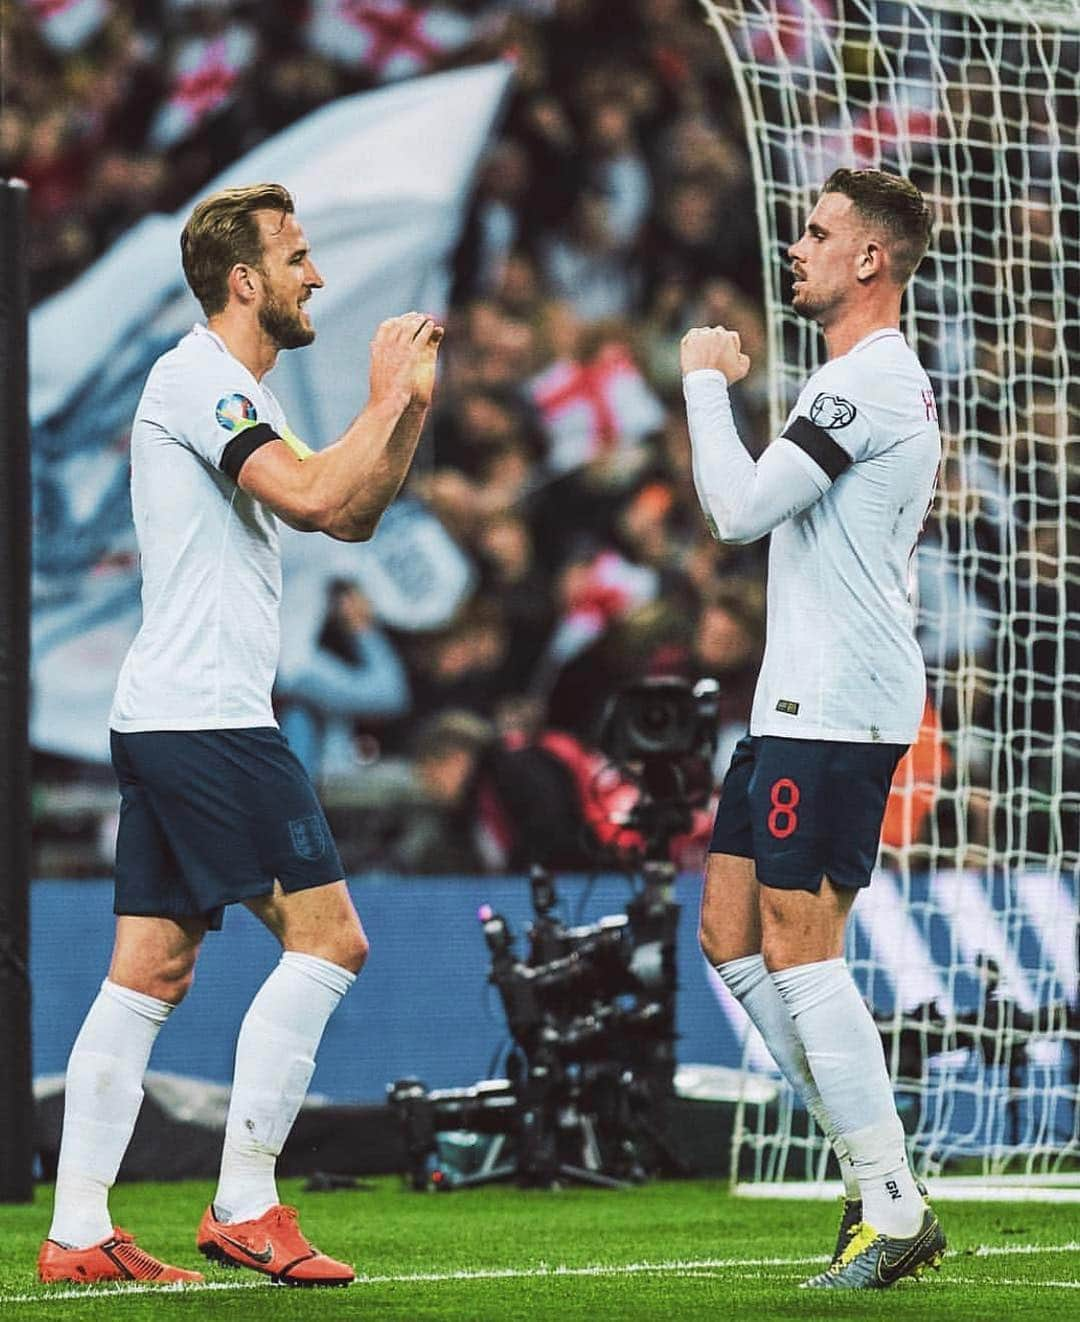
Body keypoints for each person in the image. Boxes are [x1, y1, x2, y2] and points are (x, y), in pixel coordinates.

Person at [37, 183, 443, 1287]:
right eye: (300, 257)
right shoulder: (196, 379)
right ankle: (246, 1202)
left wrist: (404, 409)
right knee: (333, 940)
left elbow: (352, 510)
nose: (318, 275)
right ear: (245, 280)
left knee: (150, 969)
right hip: (208, 716)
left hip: (174, 714)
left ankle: (78, 1231)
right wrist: (377, 392)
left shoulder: (233, 395)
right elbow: (315, 496)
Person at [680, 168, 944, 1290]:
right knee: (729, 933)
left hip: (836, 704)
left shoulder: (867, 384)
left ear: (870, 261)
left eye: (820, 231)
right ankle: (872, 1168)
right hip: (802, 697)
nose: (798, 246)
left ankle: (890, 1204)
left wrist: (701, 385)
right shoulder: (851, 379)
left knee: (796, 947)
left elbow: (736, 513)